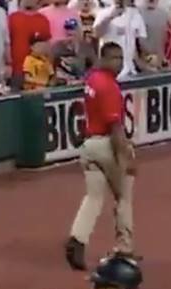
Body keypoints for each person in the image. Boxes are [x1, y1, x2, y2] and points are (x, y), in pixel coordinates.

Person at [64, 42, 135, 272]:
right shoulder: (109, 87)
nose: (119, 63)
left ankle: (77, 239)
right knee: (123, 195)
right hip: (105, 144)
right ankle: (124, 248)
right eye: (114, 58)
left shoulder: (92, 79)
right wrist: (124, 158)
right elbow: (115, 127)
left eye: (121, 58)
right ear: (103, 59)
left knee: (93, 197)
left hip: (88, 146)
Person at [94, 0, 148, 78]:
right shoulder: (103, 13)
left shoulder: (135, 15)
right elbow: (96, 34)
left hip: (131, 70)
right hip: (111, 71)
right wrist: (111, 17)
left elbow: (137, 45)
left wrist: (144, 65)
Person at [8, 0, 49, 84]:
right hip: (16, 69)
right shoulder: (12, 18)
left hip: (37, 73)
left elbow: (47, 46)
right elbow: (5, 43)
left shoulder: (43, 20)